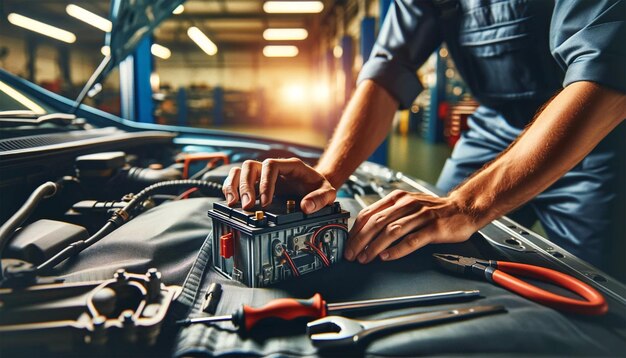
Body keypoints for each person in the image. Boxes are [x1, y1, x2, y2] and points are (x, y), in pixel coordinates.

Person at [223, 0, 626, 272]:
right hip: (494, 126)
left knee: (596, 294)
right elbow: (388, 68)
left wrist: (468, 205)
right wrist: (327, 175)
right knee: (426, 246)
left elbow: (607, 68)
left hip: (599, 131)